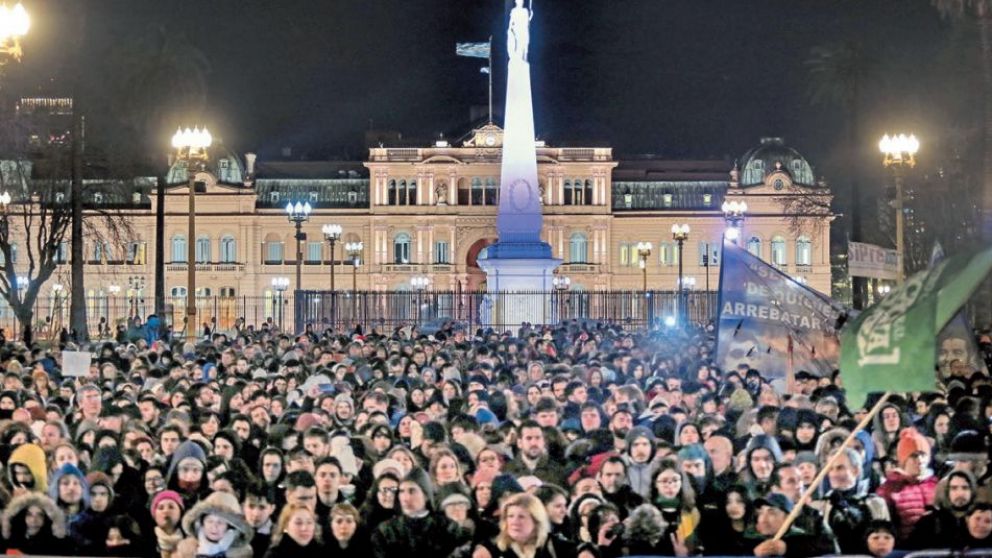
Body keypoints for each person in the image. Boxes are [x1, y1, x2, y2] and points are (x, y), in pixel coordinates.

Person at [370, 468, 470, 558]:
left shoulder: (447, 527)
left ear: (426, 495)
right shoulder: (386, 530)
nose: (405, 498)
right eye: (402, 491)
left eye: (412, 491)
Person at [472, 493, 575, 558]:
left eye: (521, 517)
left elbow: (579, 548)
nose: (514, 522)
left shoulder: (554, 546)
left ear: (536, 520)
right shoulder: (494, 548)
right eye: (510, 516)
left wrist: (585, 550)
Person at [176, 492, 254, 558]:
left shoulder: (243, 553)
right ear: (202, 523)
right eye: (210, 521)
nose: (214, 526)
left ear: (230, 527)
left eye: (220, 522)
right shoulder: (187, 549)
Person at [0, 492, 73, 555]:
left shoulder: (58, 545)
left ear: (47, 519)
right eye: (29, 514)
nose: (34, 520)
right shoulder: (9, 542)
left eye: (40, 515)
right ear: (21, 516)